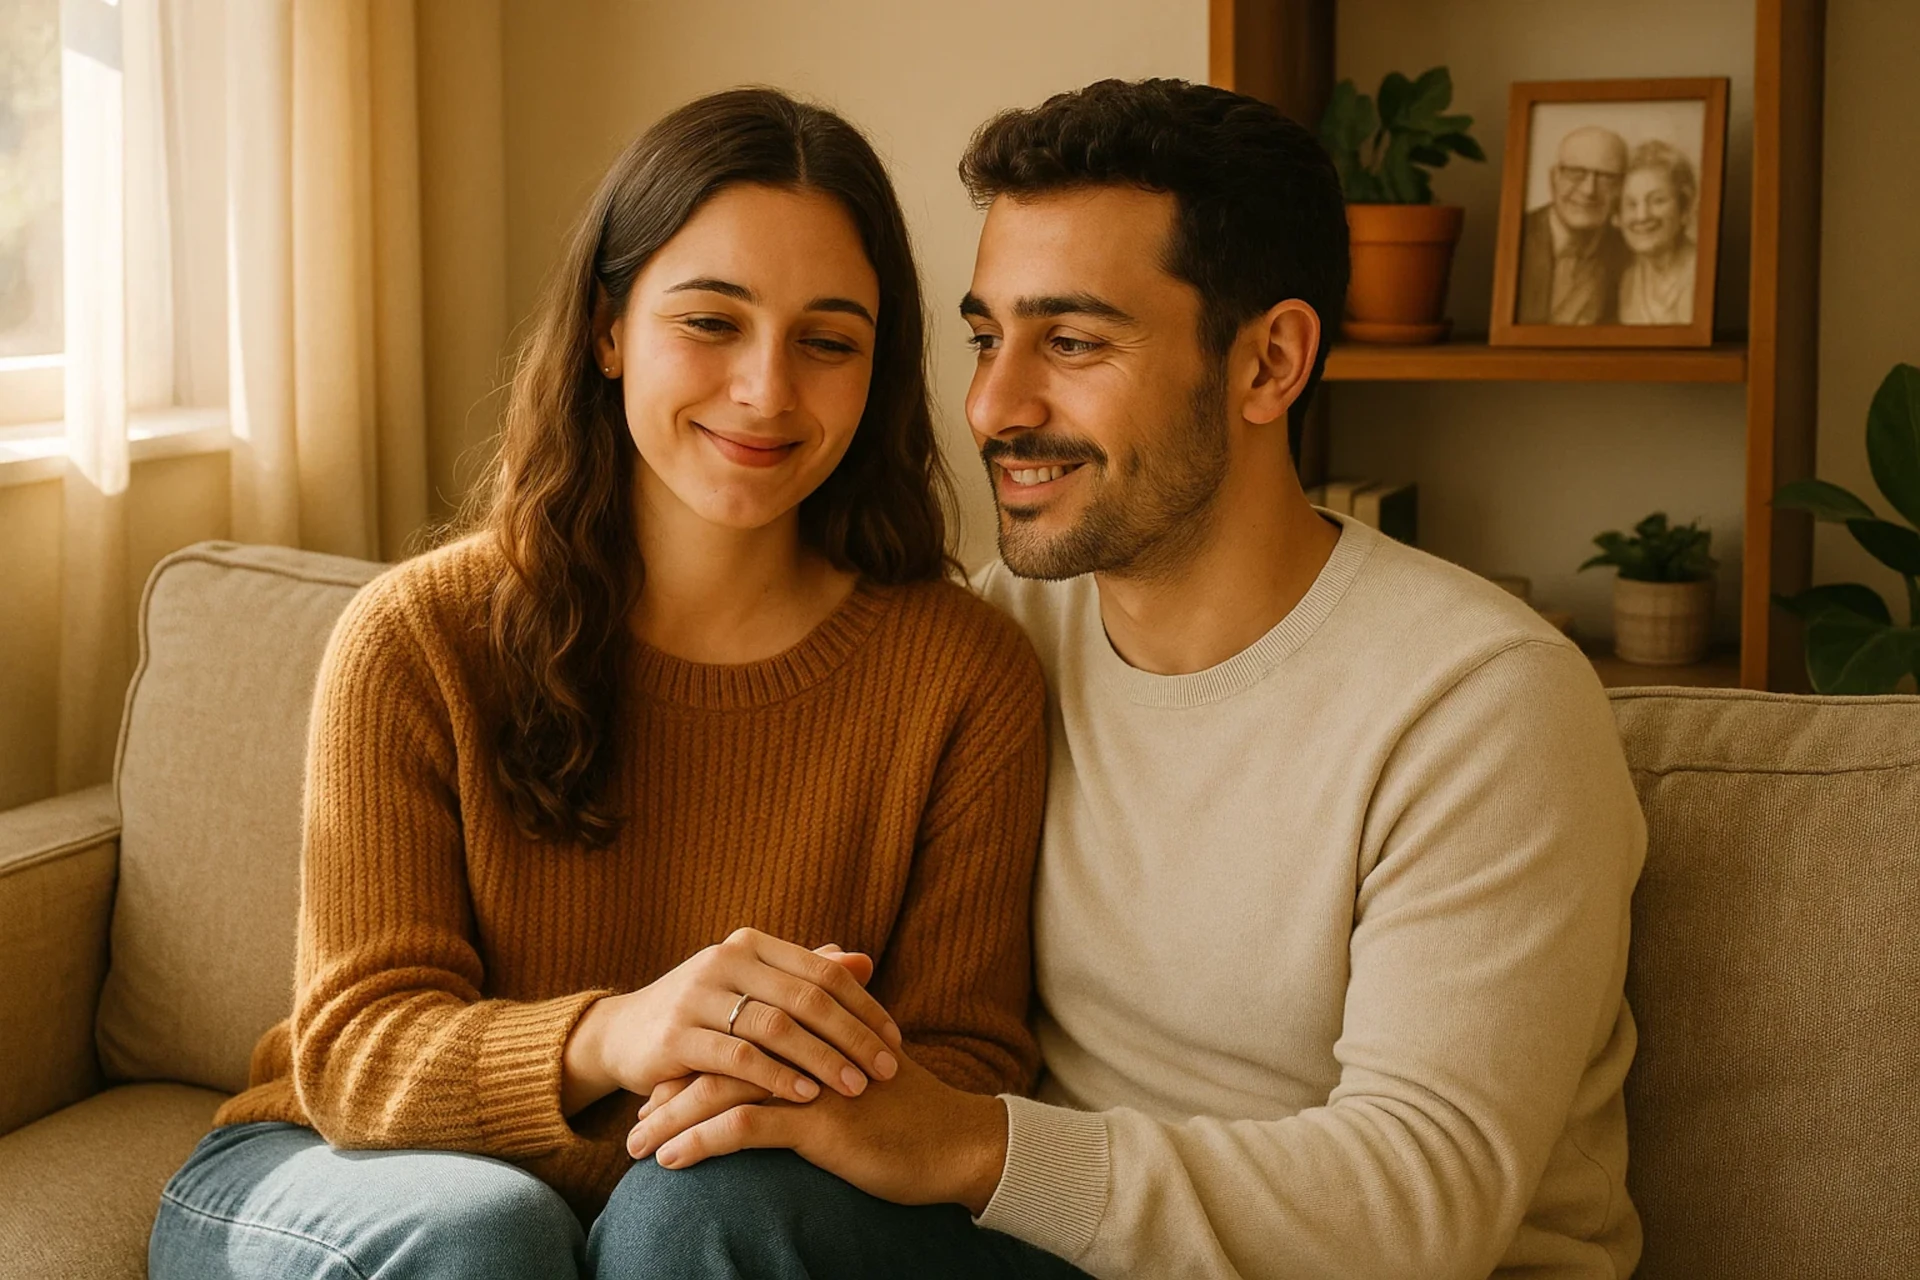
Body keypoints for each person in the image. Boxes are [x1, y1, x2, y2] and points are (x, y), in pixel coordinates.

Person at [611, 78, 1646, 1280]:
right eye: (989, 336)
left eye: (1073, 341)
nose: (995, 405)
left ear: (1270, 363)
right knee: (697, 1198)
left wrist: (971, 1144)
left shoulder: (1484, 703)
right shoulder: (998, 641)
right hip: (1056, 1253)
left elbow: (1421, 1206)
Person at [147, 87, 1048, 1280]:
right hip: (344, 1169)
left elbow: (966, 1071)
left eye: (828, 340)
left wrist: (777, 1073)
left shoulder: (963, 675)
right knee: (489, 1238)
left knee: (685, 1222)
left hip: (714, 1198)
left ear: (874, 373)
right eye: (712, 321)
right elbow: (358, 1052)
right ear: (609, 329)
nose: (767, 389)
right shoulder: (416, 639)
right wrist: (625, 1030)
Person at [1516, 124, 1633, 325]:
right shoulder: (1515, 236)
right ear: (1554, 177)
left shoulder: (1631, 252)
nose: (1589, 190)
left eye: (1606, 178)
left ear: (1622, 187)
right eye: (1576, 173)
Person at [1615, 139, 1699, 325]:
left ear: (1684, 209)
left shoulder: (1703, 273)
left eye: (1657, 200)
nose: (1642, 216)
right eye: (1631, 204)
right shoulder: (1627, 282)